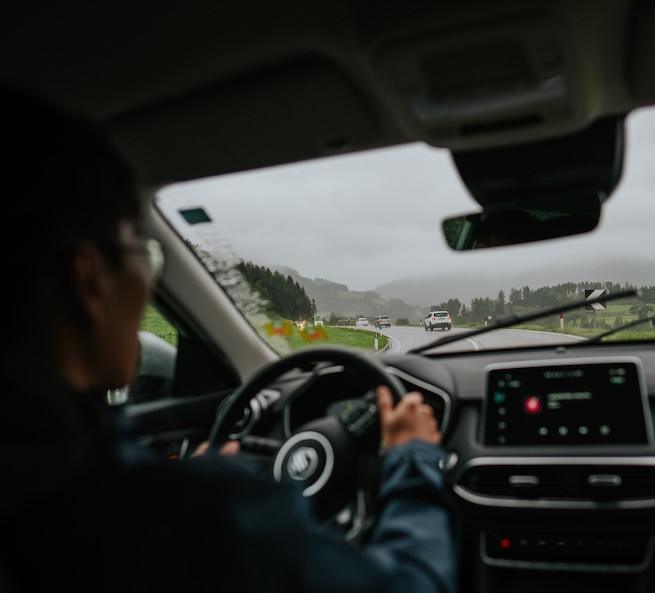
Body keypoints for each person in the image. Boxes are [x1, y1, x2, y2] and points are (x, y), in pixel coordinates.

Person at [0, 87, 456, 593]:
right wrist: (412, 458)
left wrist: (171, 484)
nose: (148, 285)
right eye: (144, 256)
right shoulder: (204, 518)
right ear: (89, 280)